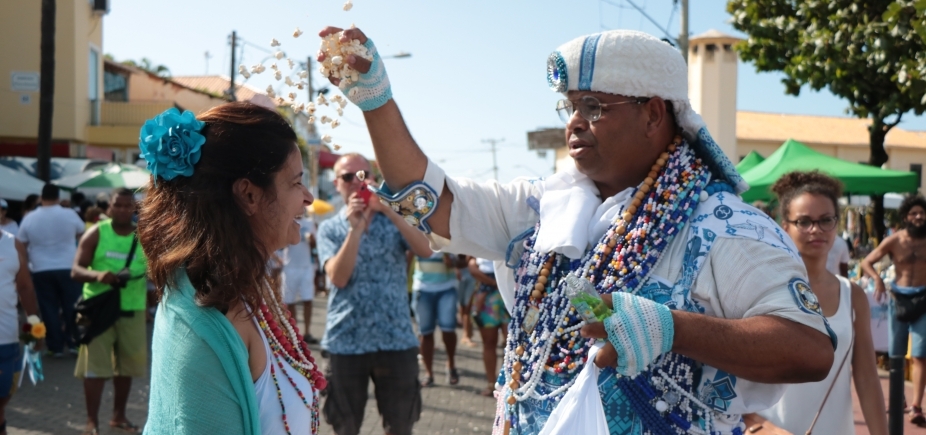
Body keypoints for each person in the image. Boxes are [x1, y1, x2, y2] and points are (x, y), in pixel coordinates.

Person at [319, 26, 836, 434]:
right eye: (571, 106)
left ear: (654, 113)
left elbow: (809, 348)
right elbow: (431, 201)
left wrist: (672, 329)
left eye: (594, 107)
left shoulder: (725, 224)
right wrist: (376, 101)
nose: (574, 123)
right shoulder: (541, 208)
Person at [141, 103, 324, 434]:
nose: (309, 197)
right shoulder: (204, 325)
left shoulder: (246, 284)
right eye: (296, 183)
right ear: (249, 194)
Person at [753, 171, 886, 434]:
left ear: (836, 225)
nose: (816, 230)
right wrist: (761, 427)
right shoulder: (760, 287)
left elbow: (867, 378)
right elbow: (731, 375)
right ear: (785, 226)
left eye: (826, 220)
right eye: (804, 221)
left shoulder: (852, 295)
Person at [316, 153, 432, 435]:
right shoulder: (330, 228)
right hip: (346, 340)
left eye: (363, 176)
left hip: (396, 339)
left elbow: (425, 249)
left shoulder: (393, 221)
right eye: (348, 177)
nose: (357, 184)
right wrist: (354, 230)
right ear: (337, 184)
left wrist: (390, 210)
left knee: (401, 426)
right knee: (345, 427)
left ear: (374, 180)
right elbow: (338, 278)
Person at [71, 188, 148, 435]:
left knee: (126, 369)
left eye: (128, 205)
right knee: (95, 369)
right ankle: (92, 421)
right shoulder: (96, 232)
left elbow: (154, 271)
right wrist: (98, 275)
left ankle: (119, 417)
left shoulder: (144, 236)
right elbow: (75, 270)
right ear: (109, 207)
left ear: (134, 209)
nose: (123, 210)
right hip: (99, 310)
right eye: (118, 205)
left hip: (131, 310)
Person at [862, 194, 926, 424]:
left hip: (923, 300)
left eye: (922, 213)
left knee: (920, 355)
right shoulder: (895, 240)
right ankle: (898, 399)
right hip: (898, 299)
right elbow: (866, 261)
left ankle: (916, 406)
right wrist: (878, 280)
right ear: (906, 217)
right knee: (896, 355)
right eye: (914, 213)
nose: (918, 217)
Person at [16, 184, 85, 357]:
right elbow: (82, 234)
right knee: (72, 306)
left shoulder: (30, 217)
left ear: (41, 197)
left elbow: (21, 244)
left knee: (49, 308)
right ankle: (73, 342)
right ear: (58, 197)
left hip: (41, 268)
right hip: (68, 266)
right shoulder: (69, 214)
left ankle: (54, 346)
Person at [0, 223, 42, 435]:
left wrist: (34, 327)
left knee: (2, 398)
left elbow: (25, 287)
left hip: (6, 337)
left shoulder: (12, 243)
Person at [411, 252, 459, 387]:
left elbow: (463, 260)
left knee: (448, 330)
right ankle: (428, 373)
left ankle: (451, 364)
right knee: (425, 333)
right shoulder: (418, 231)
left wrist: (454, 262)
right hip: (422, 288)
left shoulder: (449, 232)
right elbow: (408, 254)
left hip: (447, 288)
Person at [469, 257, 510, 397]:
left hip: (509, 293)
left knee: (512, 343)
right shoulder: (477, 237)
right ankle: (491, 384)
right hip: (488, 295)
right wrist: (493, 282)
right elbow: (471, 266)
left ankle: (509, 383)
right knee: (489, 342)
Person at [281, 208, 319, 344]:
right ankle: (294, 333)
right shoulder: (286, 221)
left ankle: (307, 332)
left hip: (306, 267)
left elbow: (316, 245)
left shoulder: (309, 223)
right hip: (290, 266)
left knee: (307, 300)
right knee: (289, 302)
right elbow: (281, 243)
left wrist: (312, 239)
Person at [455, 255, 477, 347]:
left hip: (472, 272)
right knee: (462, 305)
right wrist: (455, 268)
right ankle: (466, 333)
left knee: (468, 305)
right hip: (459, 272)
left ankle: (467, 334)